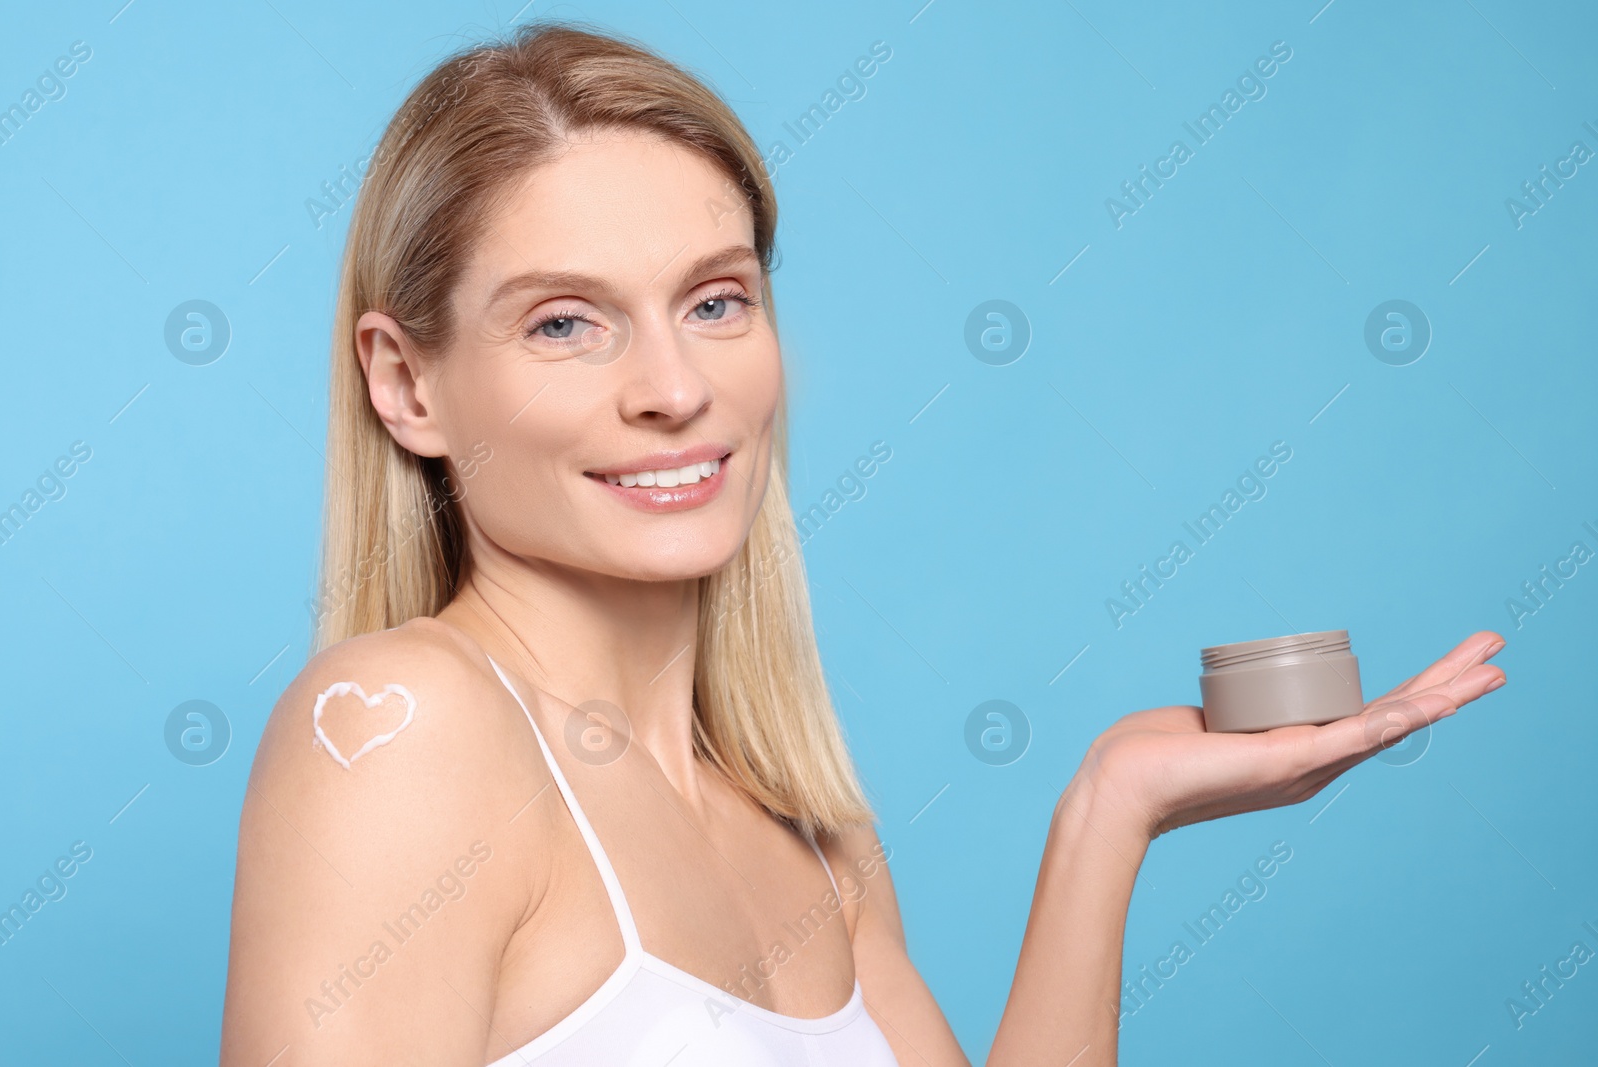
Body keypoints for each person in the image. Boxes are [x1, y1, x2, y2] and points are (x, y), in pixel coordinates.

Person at [219, 21, 1507, 1066]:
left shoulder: (807, 832)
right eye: (566, 323)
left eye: (715, 300)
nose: (675, 387)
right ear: (407, 384)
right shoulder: (398, 735)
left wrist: (1109, 817)